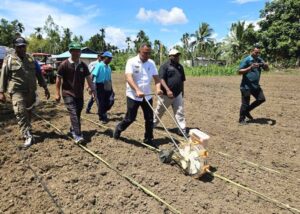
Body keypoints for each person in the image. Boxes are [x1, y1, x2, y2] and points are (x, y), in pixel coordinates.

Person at [0, 37, 50, 147]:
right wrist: (1, 92)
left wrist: (45, 88)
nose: (22, 48)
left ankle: (27, 128)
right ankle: (27, 135)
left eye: (24, 46)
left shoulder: (32, 59)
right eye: (19, 47)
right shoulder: (9, 59)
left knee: (28, 111)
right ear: (15, 47)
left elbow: (39, 74)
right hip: (17, 91)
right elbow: (3, 75)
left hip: (31, 91)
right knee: (20, 112)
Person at [113, 43, 162, 148]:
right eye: (145, 53)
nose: (147, 55)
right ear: (139, 51)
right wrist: (137, 90)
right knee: (130, 118)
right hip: (133, 95)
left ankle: (148, 138)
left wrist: (158, 88)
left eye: (149, 53)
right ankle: (119, 128)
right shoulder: (131, 61)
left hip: (147, 96)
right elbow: (129, 78)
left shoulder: (151, 63)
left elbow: (157, 79)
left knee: (149, 119)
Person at [55, 42, 95, 143]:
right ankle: (78, 135)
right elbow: (58, 79)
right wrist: (57, 93)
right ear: (70, 52)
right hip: (67, 93)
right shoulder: (64, 64)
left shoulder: (83, 65)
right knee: (73, 112)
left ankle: (73, 128)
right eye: (74, 51)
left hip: (79, 94)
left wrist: (93, 90)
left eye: (78, 51)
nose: (77, 53)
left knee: (77, 113)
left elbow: (89, 78)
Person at [153, 49, 187, 136]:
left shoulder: (180, 67)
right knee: (160, 111)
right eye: (175, 55)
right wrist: (168, 90)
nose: (177, 57)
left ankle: (182, 129)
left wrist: (182, 92)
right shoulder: (165, 66)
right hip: (166, 95)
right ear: (170, 56)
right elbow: (161, 79)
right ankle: (153, 124)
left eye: (178, 55)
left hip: (178, 94)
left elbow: (182, 80)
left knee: (180, 112)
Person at [238, 45, 269, 124]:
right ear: (251, 51)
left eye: (259, 53)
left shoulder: (259, 60)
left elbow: (266, 69)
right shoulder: (247, 60)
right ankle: (241, 119)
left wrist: (266, 66)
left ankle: (247, 111)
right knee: (245, 103)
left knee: (261, 99)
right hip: (246, 86)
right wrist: (250, 68)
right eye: (256, 52)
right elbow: (239, 71)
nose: (257, 54)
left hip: (255, 85)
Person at [92, 51, 114, 124]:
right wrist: (91, 87)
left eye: (111, 58)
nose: (110, 60)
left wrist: (111, 88)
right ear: (104, 58)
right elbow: (93, 75)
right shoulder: (99, 65)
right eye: (109, 58)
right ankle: (102, 117)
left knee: (111, 100)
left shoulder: (109, 67)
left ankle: (103, 111)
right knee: (101, 102)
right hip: (99, 85)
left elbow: (110, 78)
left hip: (108, 84)